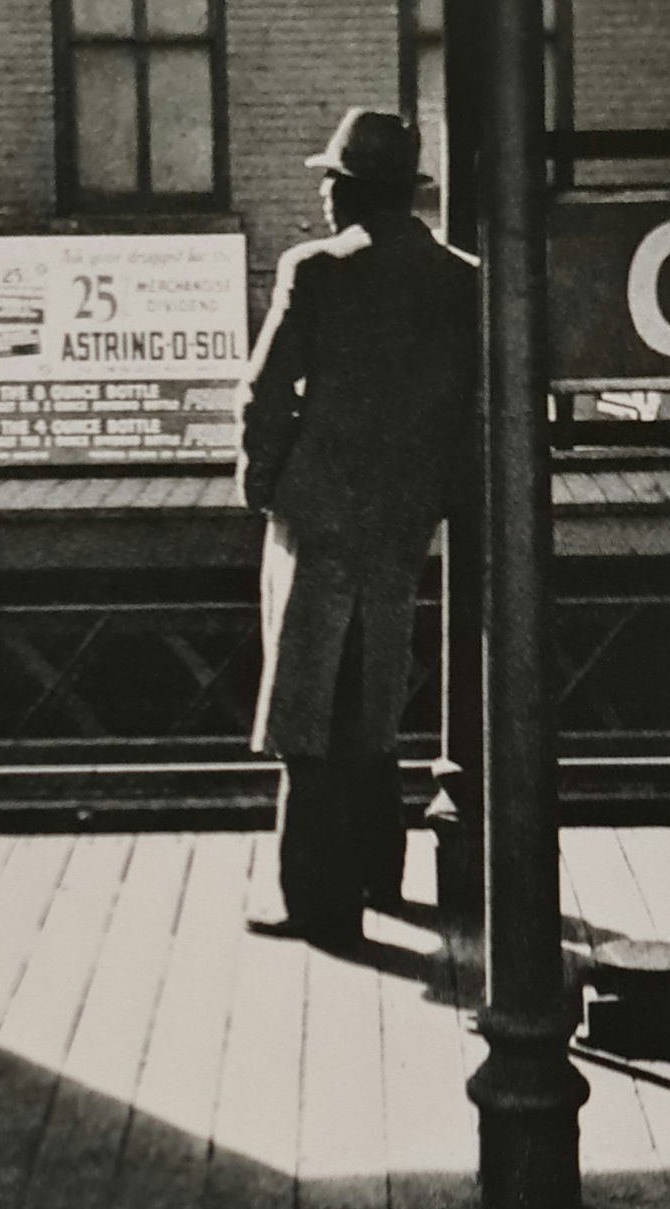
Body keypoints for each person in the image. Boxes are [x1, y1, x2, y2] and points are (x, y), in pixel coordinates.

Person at [237, 108, 479, 953]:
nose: (324, 196)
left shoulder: (316, 271)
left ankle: (318, 904)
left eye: (330, 182)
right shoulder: (460, 279)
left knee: (308, 712)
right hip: (402, 518)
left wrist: (260, 486)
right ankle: (384, 871)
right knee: (374, 703)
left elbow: (263, 395)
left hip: (318, 517)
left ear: (351, 190)